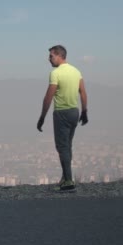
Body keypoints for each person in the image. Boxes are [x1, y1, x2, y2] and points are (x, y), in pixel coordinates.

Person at [37, 45, 88, 191]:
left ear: (59, 55)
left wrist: (42, 117)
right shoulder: (76, 71)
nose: (49, 59)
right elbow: (83, 93)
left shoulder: (56, 73)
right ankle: (65, 177)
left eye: (51, 56)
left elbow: (48, 97)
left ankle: (69, 182)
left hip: (62, 113)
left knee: (62, 147)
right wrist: (85, 111)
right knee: (68, 146)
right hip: (74, 112)